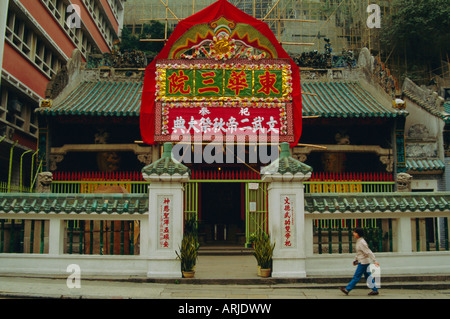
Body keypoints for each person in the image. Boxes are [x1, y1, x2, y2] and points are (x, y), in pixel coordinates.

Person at [340, 228, 380, 296]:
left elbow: (368, 252)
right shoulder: (359, 241)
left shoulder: (362, 242)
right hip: (363, 261)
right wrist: (355, 260)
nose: (353, 233)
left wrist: (374, 261)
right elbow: (359, 253)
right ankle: (375, 290)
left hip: (363, 262)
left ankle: (347, 289)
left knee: (356, 276)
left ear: (358, 233)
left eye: (355, 232)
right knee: (368, 277)